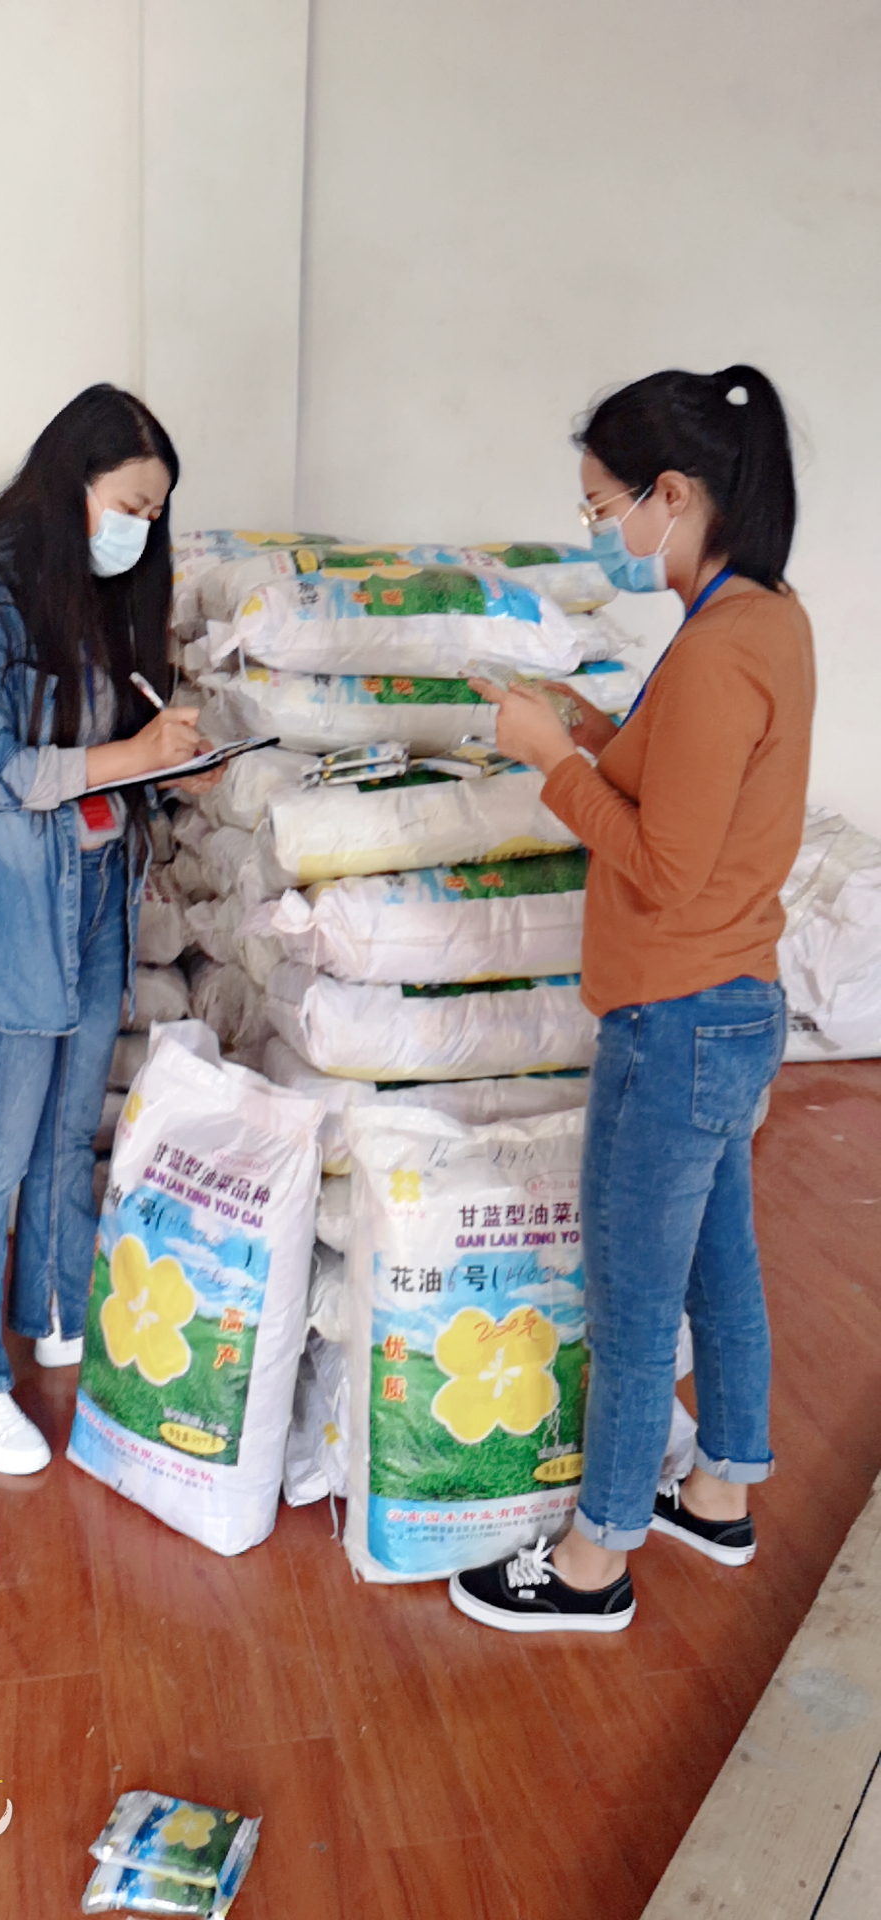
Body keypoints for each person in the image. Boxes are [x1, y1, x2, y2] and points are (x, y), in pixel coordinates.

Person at [450, 364, 814, 1632]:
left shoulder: (716, 652)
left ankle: (593, 1562)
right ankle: (719, 1491)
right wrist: (591, 731)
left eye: (604, 509)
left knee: (632, 1300)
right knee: (719, 1269)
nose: (602, 532)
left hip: (673, 1017)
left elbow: (663, 864)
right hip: (732, 1007)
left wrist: (552, 763)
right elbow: (689, 793)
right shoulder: (764, 618)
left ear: (672, 492)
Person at [0, 383, 221, 1476]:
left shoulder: (102, 593)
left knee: (67, 1128)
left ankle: (52, 1307)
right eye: (128, 504)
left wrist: (166, 765)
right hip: (10, 904)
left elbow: (103, 753)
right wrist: (128, 758)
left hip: (92, 891)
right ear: (68, 483)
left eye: (153, 512)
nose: (139, 528)